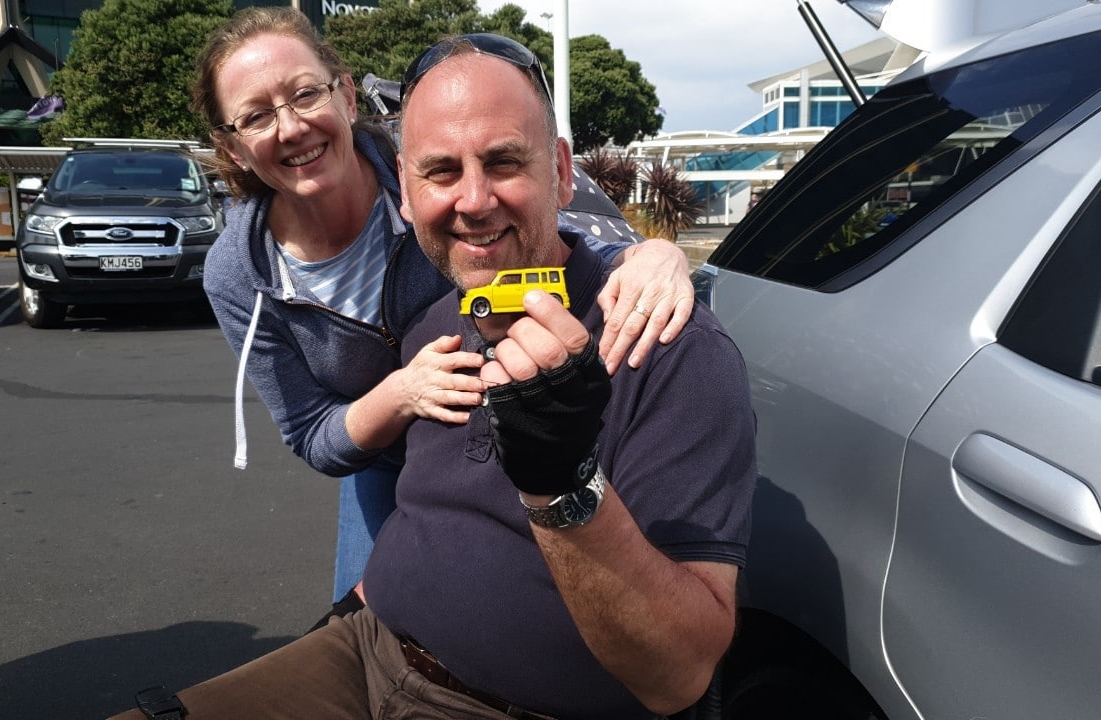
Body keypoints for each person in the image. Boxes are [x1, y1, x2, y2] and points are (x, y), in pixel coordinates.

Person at [110, 33, 755, 720]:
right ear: (407, 196)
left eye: (505, 161)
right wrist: (354, 603)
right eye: (441, 173)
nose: (473, 200)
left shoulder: (668, 347)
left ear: (562, 173)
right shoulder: (420, 319)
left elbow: (678, 676)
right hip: (366, 644)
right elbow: (374, 471)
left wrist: (561, 480)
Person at [192, 7, 697, 602]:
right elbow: (311, 435)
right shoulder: (237, 272)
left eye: (305, 94)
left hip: (507, 426)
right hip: (384, 460)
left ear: (347, 96)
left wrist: (649, 256)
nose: (292, 127)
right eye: (255, 116)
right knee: (369, 627)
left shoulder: (439, 164)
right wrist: (401, 393)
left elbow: (550, 223)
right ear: (232, 146)